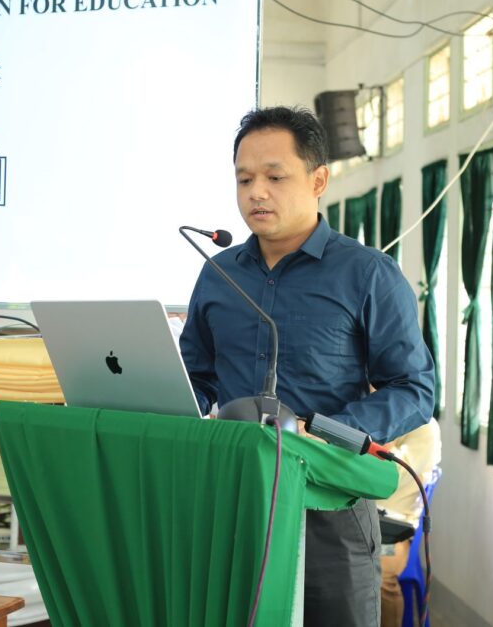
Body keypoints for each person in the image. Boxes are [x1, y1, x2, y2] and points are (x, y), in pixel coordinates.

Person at [179, 106, 435, 626]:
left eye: (274, 177)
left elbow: (413, 388)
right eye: (244, 179)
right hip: (234, 501)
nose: (256, 192)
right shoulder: (218, 274)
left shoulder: (368, 274)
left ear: (318, 180)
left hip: (330, 507)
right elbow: (198, 375)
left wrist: (329, 432)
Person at [376, 418, 441, 627]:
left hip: (394, 529)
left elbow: (391, 475)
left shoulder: (425, 428)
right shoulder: (374, 413)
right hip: (362, 515)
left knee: (381, 576)